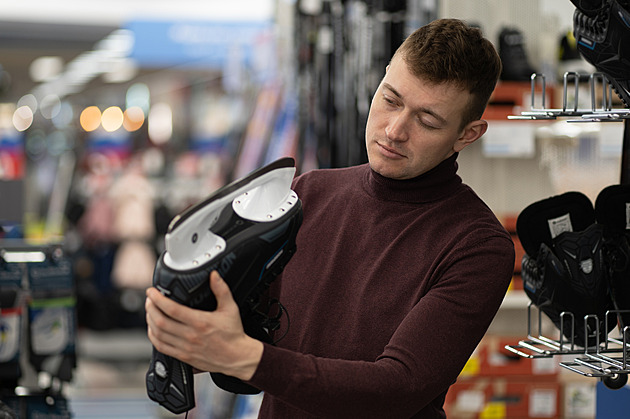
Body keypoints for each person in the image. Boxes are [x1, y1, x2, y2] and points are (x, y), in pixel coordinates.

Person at [145, 18, 515, 418]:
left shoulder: (478, 246)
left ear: (468, 134)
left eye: (427, 121)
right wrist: (196, 339)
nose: (394, 130)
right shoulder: (307, 194)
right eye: (390, 99)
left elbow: (398, 387)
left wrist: (244, 357)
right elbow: (259, 359)